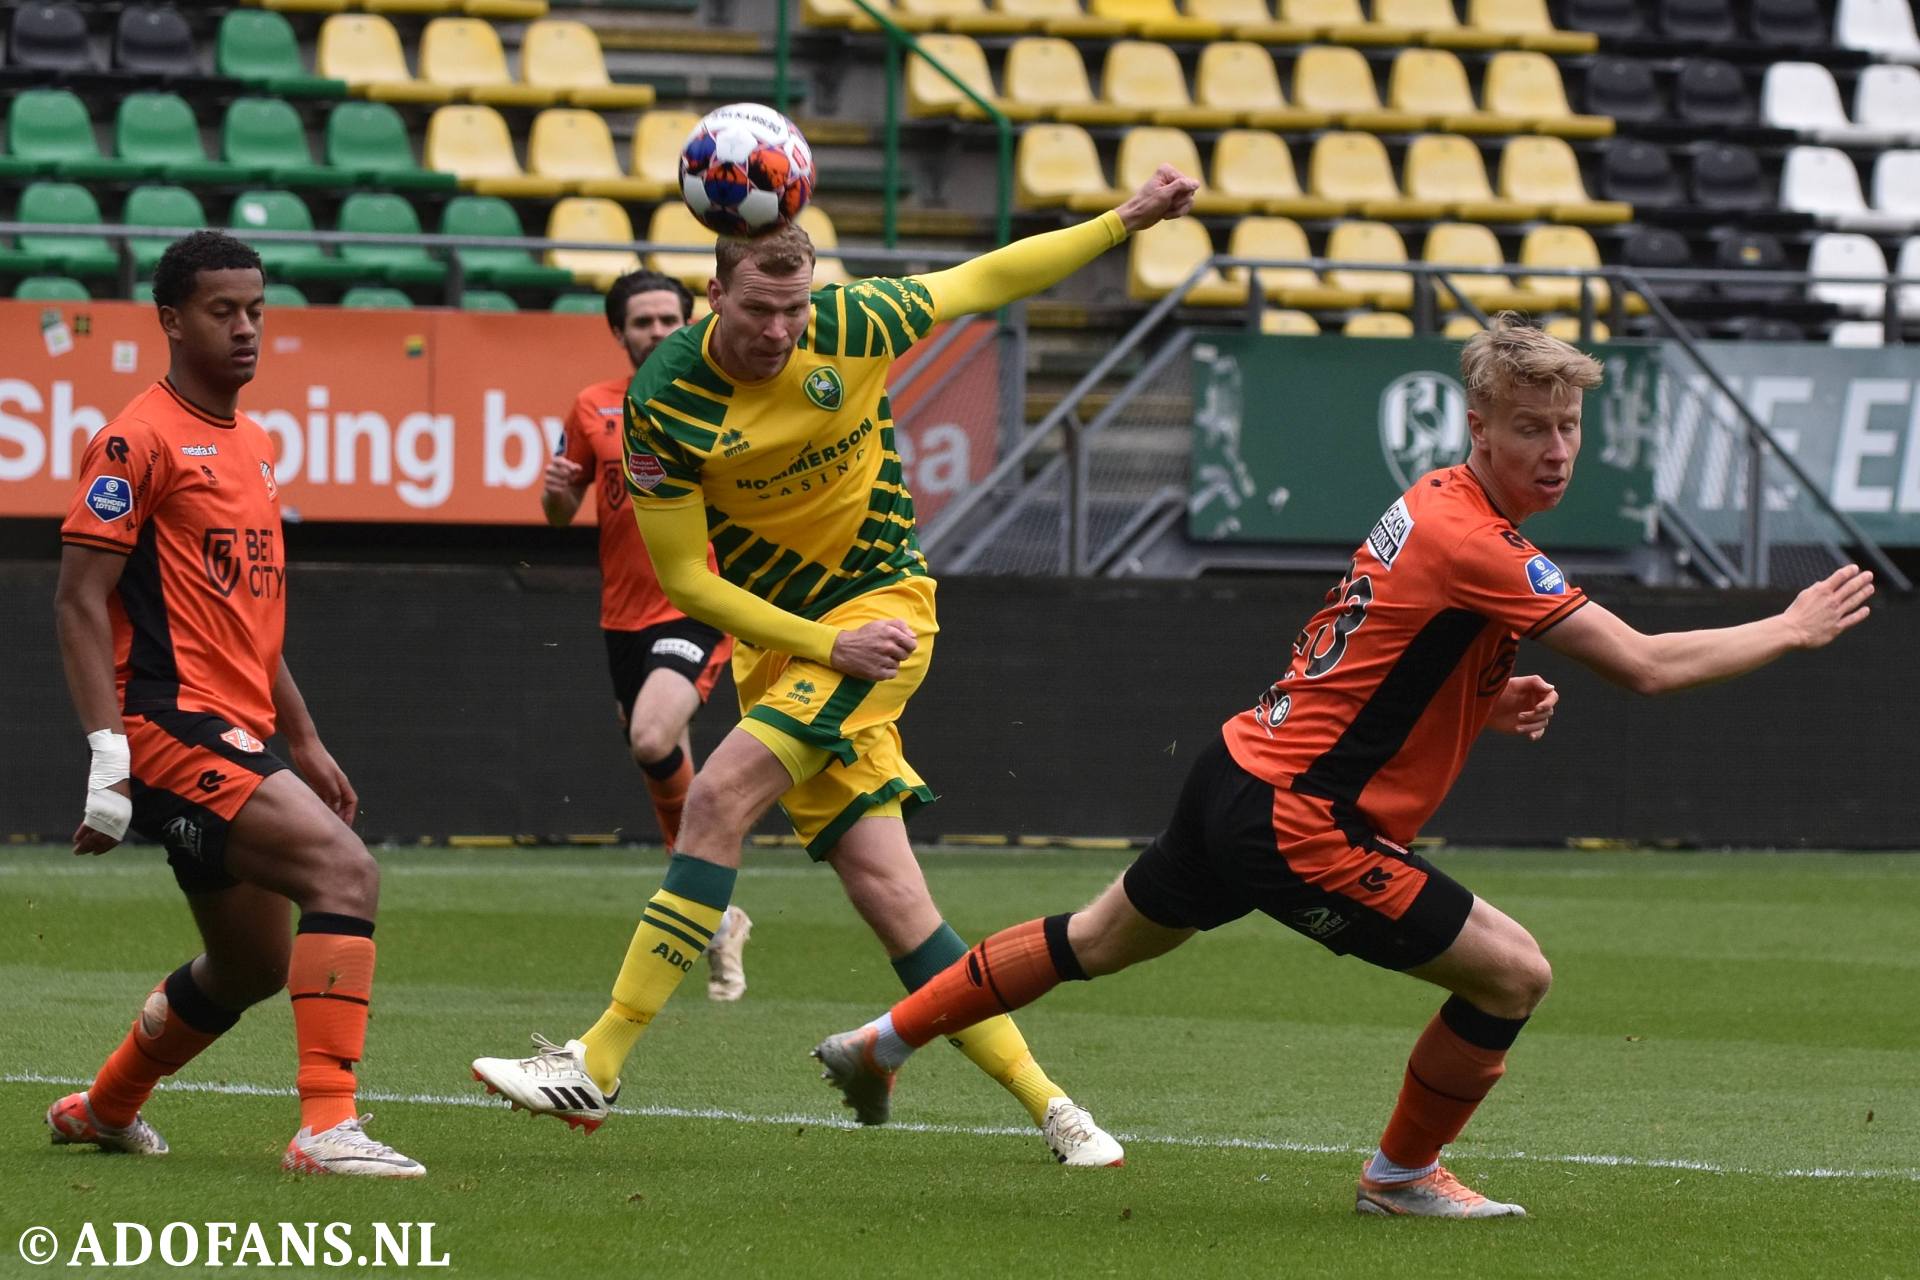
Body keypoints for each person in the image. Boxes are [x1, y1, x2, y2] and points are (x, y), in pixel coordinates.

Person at [809, 314, 1877, 1214]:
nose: (1555, 450)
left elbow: (1376, 653)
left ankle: (882, 1040)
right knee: (1514, 971)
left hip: (1240, 767)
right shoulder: (1483, 542)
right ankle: (1401, 1173)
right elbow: (1643, 664)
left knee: (1095, 938)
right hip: (1296, 815)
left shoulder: (1437, 498)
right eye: (1530, 429)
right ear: (1481, 428)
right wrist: (1787, 627)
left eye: (1569, 428)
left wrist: (1483, 700)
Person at [471, 166, 1201, 1165]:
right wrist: (817, 643)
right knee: (897, 900)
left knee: (717, 793)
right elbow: (687, 577)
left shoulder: (854, 325)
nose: (780, 330)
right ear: (715, 295)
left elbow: (990, 279)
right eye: (761, 309)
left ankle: (596, 1059)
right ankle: (1054, 1106)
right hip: (794, 650)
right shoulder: (662, 401)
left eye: (795, 308)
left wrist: (1122, 220)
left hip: (885, 615)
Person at [46, 231, 423, 1178]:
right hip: (167, 727)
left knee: (252, 964)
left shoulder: (252, 442)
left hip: (239, 729)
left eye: (257, 309)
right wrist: (107, 754)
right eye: (225, 311)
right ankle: (325, 1126)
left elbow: (248, 618)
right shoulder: (135, 438)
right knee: (348, 877)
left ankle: (104, 1108)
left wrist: (303, 736)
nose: (247, 328)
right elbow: (76, 599)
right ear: (172, 320)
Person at [542, 270, 750, 1001]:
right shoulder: (593, 406)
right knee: (660, 758)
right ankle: (718, 917)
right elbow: (560, 512)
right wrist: (555, 493)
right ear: (620, 333)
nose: (657, 331)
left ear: (690, 321)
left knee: (652, 739)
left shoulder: (723, 396)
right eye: (642, 322)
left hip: (697, 600)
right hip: (621, 617)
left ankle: (702, 893)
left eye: (669, 318)